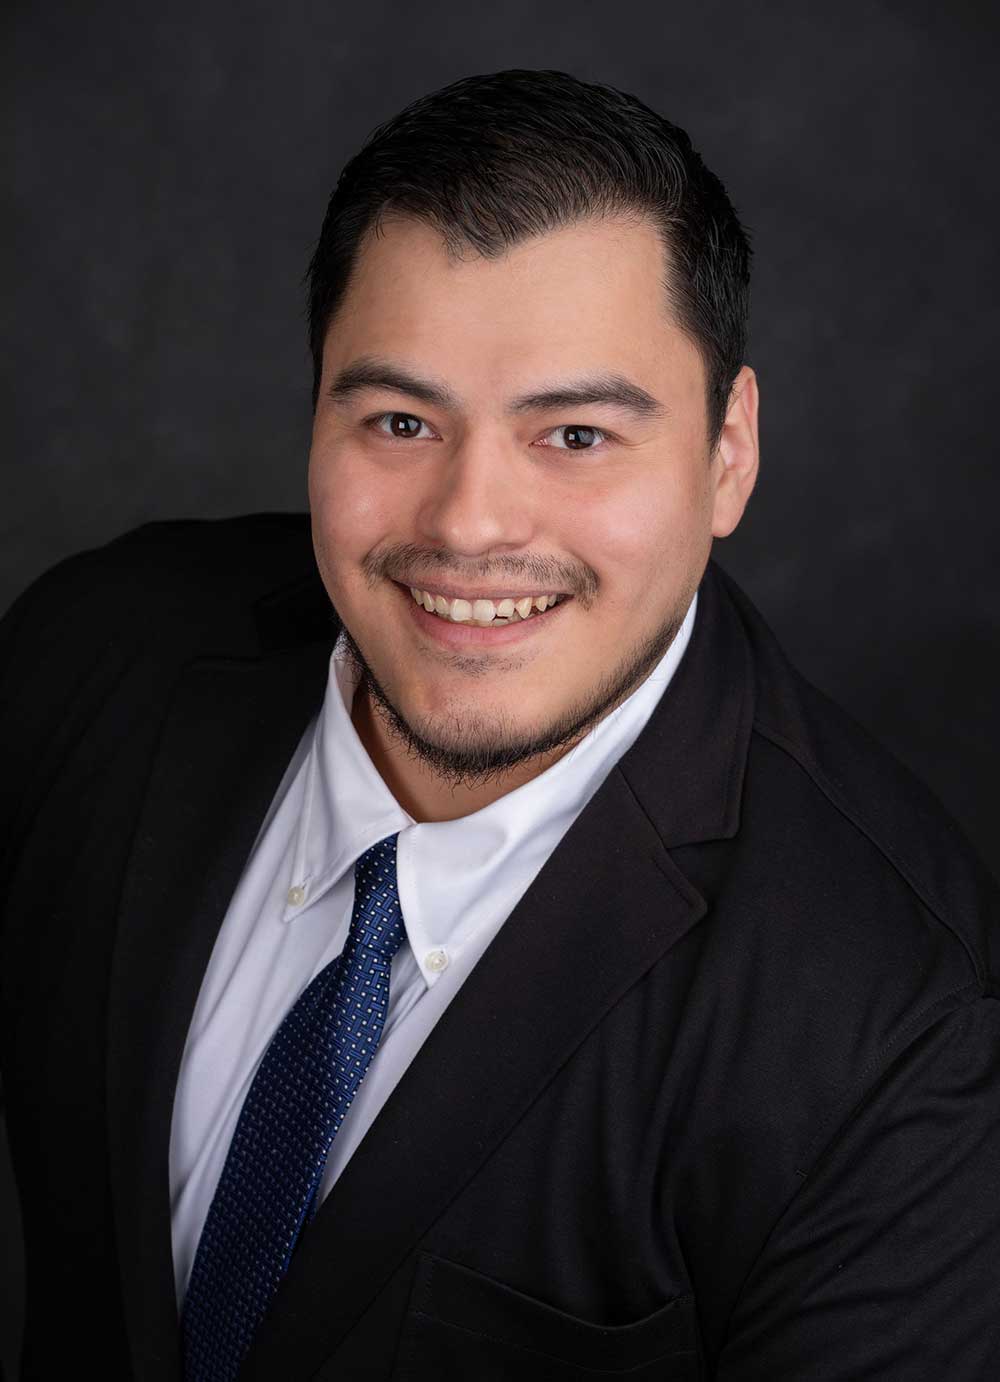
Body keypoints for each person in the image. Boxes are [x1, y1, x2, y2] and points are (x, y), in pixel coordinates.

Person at [1, 67, 997, 1382]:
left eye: (574, 435)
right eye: (401, 420)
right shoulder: (93, 654)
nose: (469, 523)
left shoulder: (895, 1021)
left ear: (729, 453)